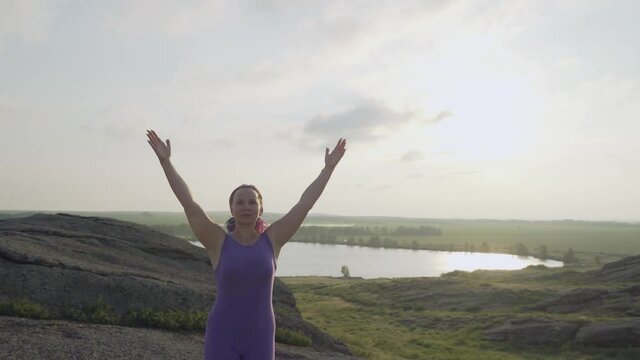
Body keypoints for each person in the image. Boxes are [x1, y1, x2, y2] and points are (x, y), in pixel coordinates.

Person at [146, 129, 346, 360]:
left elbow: (304, 204)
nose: (246, 206)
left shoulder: (273, 239)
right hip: (223, 333)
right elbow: (189, 204)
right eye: (240, 202)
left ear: (260, 209)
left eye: (252, 202)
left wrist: (328, 169)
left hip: (260, 335)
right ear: (231, 208)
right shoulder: (217, 241)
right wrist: (166, 162)